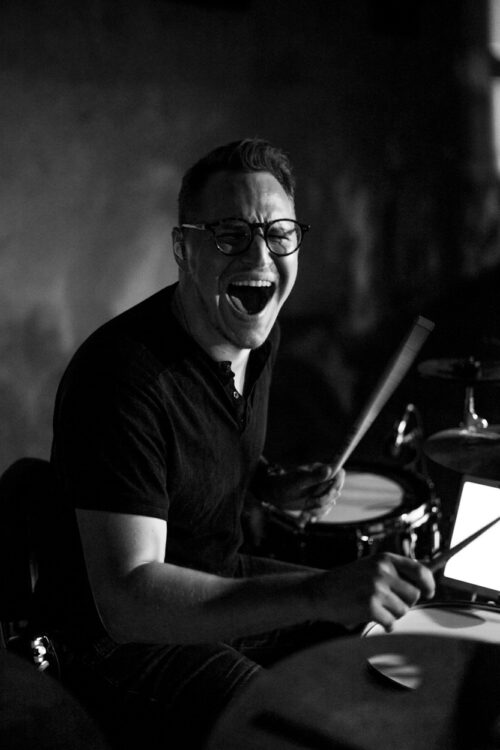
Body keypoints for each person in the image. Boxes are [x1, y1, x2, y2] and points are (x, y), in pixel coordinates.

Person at [40, 139, 435, 748]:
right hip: (116, 642)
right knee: (296, 726)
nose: (260, 256)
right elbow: (128, 599)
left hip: (217, 574)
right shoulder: (121, 380)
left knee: (383, 638)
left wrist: (269, 482)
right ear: (183, 249)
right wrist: (315, 592)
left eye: (280, 234)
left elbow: (196, 452)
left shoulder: (256, 331)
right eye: (230, 234)